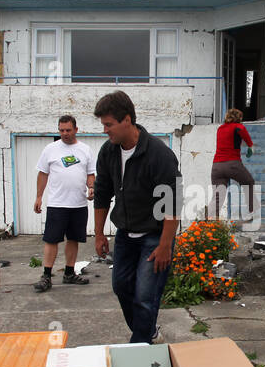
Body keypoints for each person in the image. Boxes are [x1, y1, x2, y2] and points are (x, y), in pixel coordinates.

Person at [91, 91, 180, 345]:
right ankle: (149, 331)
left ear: (126, 120)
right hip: (126, 235)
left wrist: (165, 246)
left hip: (155, 236)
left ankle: (139, 347)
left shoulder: (158, 154)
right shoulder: (108, 153)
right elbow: (102, 194)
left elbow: (173, 202)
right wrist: (98, 233)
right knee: (121, 287)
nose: (105, 131)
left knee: (144, 295)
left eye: (109, 125)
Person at [33, 115, 96, 292]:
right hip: (57, 204)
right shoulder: (50, 149)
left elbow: (90, 174)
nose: (65, 133)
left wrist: (91, 188)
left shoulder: (85, 150)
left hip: (78, 205)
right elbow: (42, 174)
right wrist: (39, 197)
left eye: (68, 130)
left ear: (76, 129)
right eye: (61, 130)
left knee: (74, 239)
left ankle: (69, 273)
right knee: (52, 240)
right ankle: (46, 276)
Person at [211, 107, 255, 220]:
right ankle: (250, 212)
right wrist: (250, 146)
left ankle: (210, 223)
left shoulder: (220, 129)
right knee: (249, 182)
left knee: (218, 196)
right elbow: (246, 138)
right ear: (238, 118)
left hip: (217, 166)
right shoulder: (238, 127)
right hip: (232, 164)